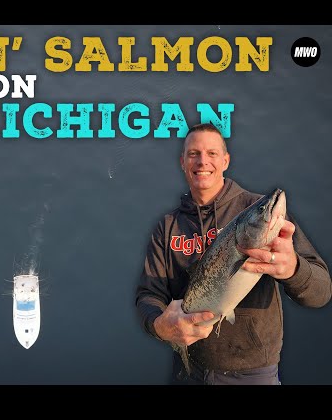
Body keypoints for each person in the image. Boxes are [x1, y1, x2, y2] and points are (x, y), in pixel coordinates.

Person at [135, 123, 332, 385]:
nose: (203, 161)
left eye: (212, 153)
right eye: (193, 154)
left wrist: (294, 269)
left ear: (226, 160)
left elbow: (321, 292)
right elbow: (148, 295)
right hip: (188, 371)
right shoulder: (167, 226)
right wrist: (160, 325)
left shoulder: (259, 212)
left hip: (252, 373)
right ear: (182, 162)